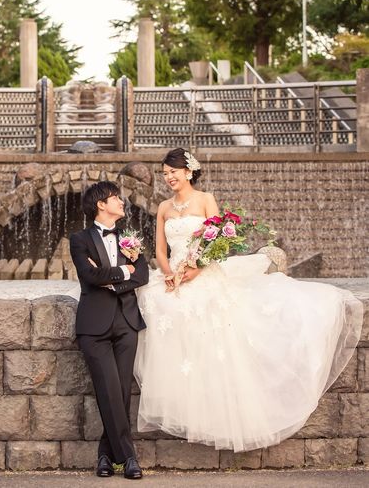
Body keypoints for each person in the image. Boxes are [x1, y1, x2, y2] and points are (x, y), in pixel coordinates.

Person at [134, 148, 363, 453]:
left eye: (172, 172)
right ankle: (182, 399)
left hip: (203, 273)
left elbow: (217, 242)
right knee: (156, 305)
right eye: (164, 173)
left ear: (188, 171)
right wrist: (169, 274)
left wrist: (195, 269)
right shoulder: (164, 207)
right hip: (173, 274)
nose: (168, 178)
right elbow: (160, 250)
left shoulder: (206, 199)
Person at [70, 181, 149, 479]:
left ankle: (105, 455)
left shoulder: (129, 237)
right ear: (101, 204)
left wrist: (113, 280)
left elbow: (143, 274)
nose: (121, 201)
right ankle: (128, 458)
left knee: (120, 392)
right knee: (109, 390)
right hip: (94, 327)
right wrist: (124, 271)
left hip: (126, 323)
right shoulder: (79, 239)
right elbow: (89, 276)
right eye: (115, 198)